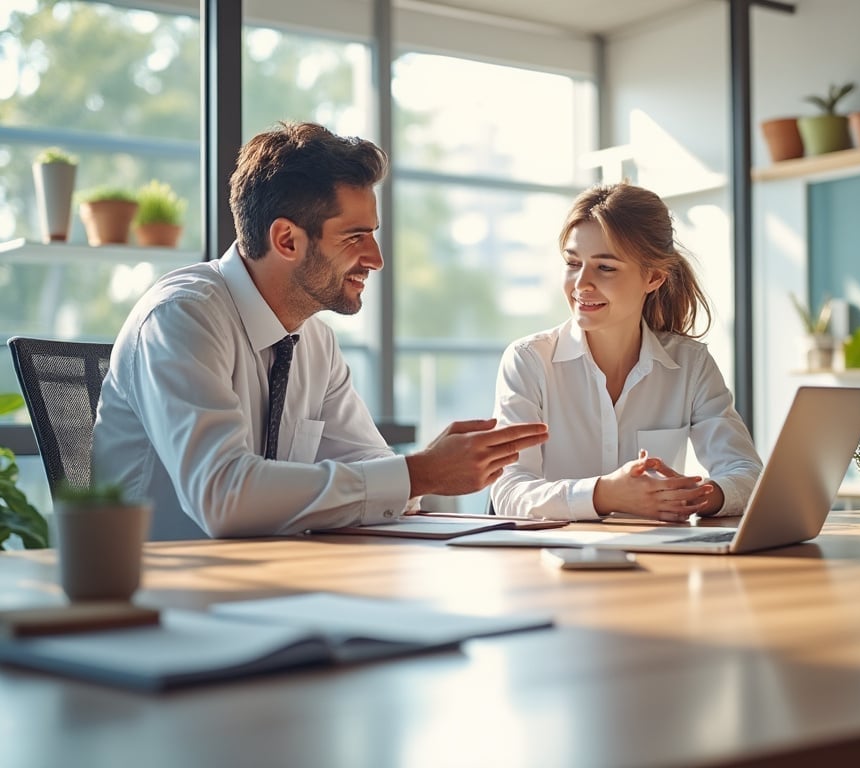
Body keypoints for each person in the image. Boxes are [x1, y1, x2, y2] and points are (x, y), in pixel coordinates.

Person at [93, 121, 547, 540]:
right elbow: (223, 496)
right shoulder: (182, 317)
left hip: (271, 583)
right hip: (162, 592)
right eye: (354, 237)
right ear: (287, 240)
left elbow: (369, 468)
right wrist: (418, 473)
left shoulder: (313, 340)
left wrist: (423, 467)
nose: (376, 259)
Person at [490, 182, 761, 522]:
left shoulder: (691, 364)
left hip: (656, 563)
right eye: (573, 263)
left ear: (654, 277)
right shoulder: (529, 361)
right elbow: (509, 490)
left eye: (605, 267)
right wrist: (604, 493)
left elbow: (747, 472)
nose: (581, 283)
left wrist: (698, 496)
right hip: (552, 561)